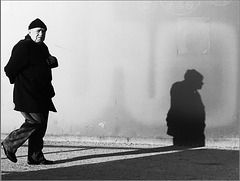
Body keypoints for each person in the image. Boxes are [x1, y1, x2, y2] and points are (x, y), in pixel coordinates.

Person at [1, 18, 58, 165]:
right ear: (29, 31)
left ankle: (35, 157)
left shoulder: (42, 47)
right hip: (28, 93)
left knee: (41, 125)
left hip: (43, 93)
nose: (41, 34)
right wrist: (23, 83)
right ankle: (9, 144)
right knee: (35, 121)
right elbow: (9, 69)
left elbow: (50, 61)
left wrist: (50, 62)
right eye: (38, 31)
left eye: (44, 31)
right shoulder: (23, 47)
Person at [166, 69, 206, 147]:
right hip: (187, 130)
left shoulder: (192, 92)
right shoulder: (184, 90)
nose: (202, 83)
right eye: (200, 81)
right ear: (193, 81)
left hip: (188, 129)